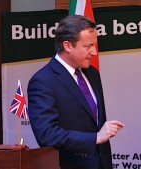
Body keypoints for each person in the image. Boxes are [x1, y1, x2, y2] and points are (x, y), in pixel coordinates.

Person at [28, 15, 124, 169]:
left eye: (95, 45)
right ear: (67, 46)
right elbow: (47, 134)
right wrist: (95, 137)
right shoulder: (43, 81)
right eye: (88, 46)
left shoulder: (92, 73)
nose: (94, 52)